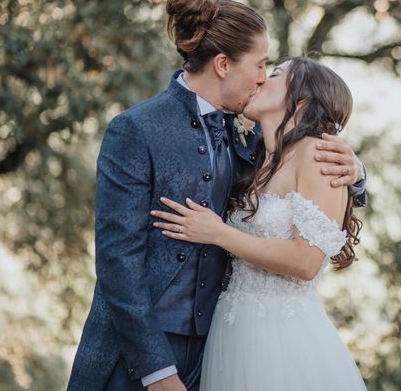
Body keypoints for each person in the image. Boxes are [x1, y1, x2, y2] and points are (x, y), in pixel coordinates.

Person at [67, 0, 367, 391]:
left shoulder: (252, 142)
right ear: (224, 64)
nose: (263, 76)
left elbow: (307, 189)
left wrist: (359, 174)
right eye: (261, 65)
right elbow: (117, 260)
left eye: (271, 70)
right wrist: (157, 373)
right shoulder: (137, 129)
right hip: (136, 358)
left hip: (220, 355)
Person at [151, 56, 368, 390]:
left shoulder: (318, 156)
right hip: (232, 333)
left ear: (301, 100)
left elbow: (306, 262)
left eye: (276, 73)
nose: (263, 78)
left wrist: (218, 232)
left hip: (282, 342)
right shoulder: (260, 161)